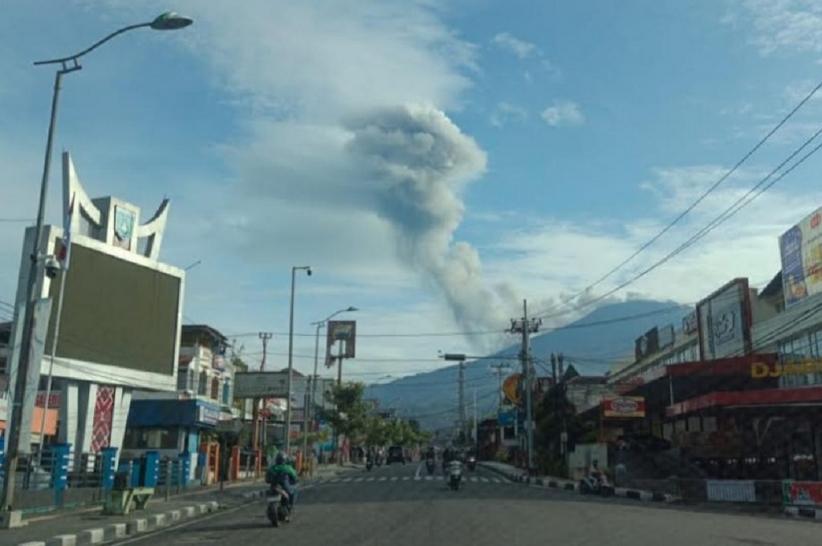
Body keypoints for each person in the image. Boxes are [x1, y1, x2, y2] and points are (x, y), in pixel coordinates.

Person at [266, 453, 299, 517]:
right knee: (294, 490)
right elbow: (295, 478)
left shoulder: (272, 468)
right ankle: (290, 506)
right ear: (285, 460)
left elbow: (267, 479)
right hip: (285, 488)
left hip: (273, 487)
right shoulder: (288, 468)